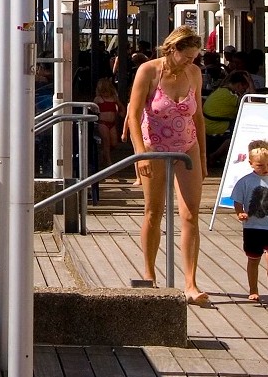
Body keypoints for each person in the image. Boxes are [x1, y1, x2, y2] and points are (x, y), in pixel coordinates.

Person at [126, 26, 208, 304]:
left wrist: (204, 160)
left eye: (194, 57)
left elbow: (199, 120)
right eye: (186, 56)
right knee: (154, 211)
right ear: (171, 49)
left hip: (188, 146)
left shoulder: (194, 73)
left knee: (190, 215)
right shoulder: (149, 71)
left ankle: (190, 282)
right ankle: (149, 275)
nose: (190, 62)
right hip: (155, 146)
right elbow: (133, 114)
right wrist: (141, 155)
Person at [231, 145, 268, 302]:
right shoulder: (245, 181)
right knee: (253, 260)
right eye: (260, 165)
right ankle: (253, 289)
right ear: (251, 163)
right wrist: (240, 212)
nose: (265, 168)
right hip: (253, 227)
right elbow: (237, 200)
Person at [203, 70, 253, 170]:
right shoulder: (231, 96)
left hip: (209, 123)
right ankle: (215, 155)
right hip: (214, 126)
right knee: (238, 133)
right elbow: (253, 103)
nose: (244, 90)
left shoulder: (222, 90)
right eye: (244, 87)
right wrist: (251, 85)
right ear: (239, 85)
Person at [93, 77, 124, 169]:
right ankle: (109, 162)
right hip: (103, 123)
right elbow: (92, 109)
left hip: (112, 123)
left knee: (114, 142)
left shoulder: (114, 98)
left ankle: (104, 153)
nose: (105, 94)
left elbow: (121, 107)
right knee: (106, 141)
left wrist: (122, 113)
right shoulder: (98, 99)